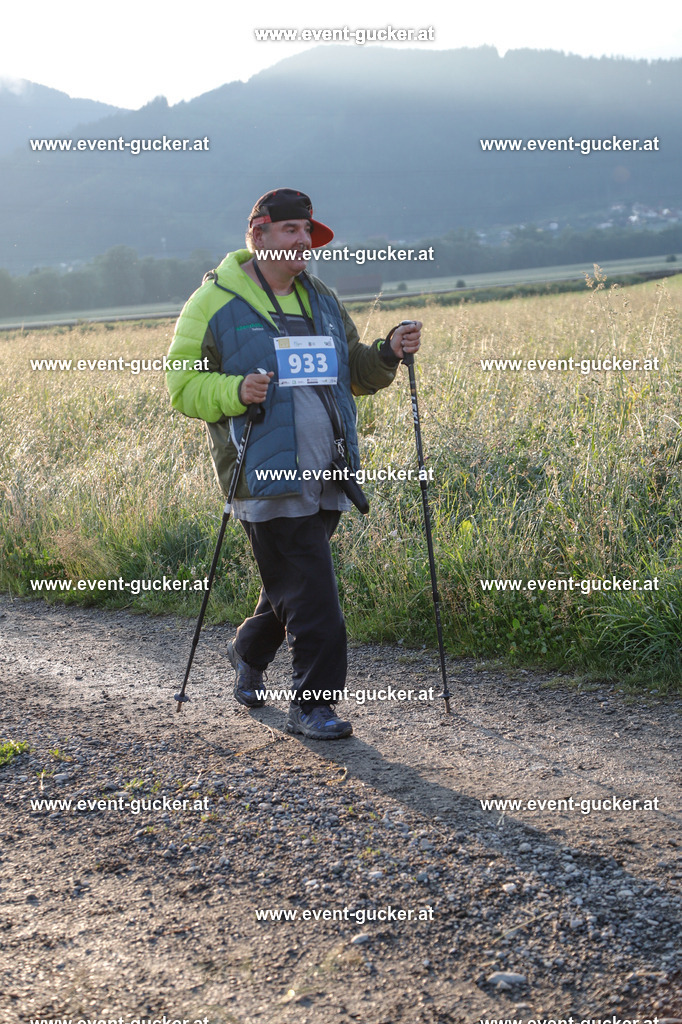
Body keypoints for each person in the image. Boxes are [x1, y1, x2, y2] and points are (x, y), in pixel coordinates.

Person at [165, 188, 421, 740]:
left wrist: (386, 353)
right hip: (265, 474)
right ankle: (314, 705)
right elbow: (182, 387)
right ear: (257, 235)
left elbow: (352, 372)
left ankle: (247, 649)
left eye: (308, 231)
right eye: (290, 231)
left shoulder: (321, 297)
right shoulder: (211, 303)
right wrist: (236, 389)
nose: (303, 241)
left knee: (291, 585)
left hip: (329, 471)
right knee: (313, 595)